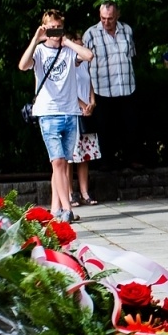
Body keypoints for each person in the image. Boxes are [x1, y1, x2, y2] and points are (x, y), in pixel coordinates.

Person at [19, 10, 93, 223]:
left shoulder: (68, 50)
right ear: (44, 28)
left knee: (61, 164)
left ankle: (54, 209)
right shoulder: (40, 51)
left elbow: (89, 56)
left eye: (58, 27)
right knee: (58, 161)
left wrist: (66, 41)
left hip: (70, 112)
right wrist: (36, 39)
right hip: (48, 112)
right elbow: (23, 65)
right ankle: (67, 209)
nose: (54, 32)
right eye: (51, 28)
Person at [84, 2, 138, 168]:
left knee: (130, 125)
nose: (106, 22)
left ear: (117, 16)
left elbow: (132, 55)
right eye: (103, 18)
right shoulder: (91, 34)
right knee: (104, 128)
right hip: (102, 88)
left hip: (126, 87)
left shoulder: (127, 30)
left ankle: (132, 159)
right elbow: (84, 62)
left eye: (110, 19)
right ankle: (105, 162)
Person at [67, 29, 101, 205]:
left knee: (84, 155)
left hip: (87, 111)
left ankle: (85, 191)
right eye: (79, 39)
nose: (82, 42)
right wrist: (82, 105)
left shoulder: (85, 62)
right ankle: (70, 193)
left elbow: (89, 83)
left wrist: (92, 101)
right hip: (73, 111)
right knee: (70, 156)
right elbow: (67, 87)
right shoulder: (67, 61)